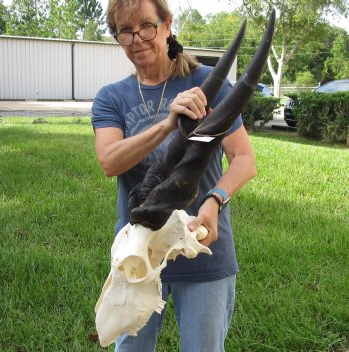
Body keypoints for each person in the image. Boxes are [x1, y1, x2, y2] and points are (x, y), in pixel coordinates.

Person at [92, 0, 257, 351]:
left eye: (147, 26)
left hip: (202, 249)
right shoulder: (112, 97)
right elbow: (110, 162)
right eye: (125, 31)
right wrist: (169, 123)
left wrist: (215, 200)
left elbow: (243, 159)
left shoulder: (206, 82)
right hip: (138, 256)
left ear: (167, 25)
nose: (137, 39)